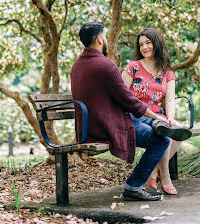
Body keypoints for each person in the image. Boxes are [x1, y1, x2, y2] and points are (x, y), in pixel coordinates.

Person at [70, 22, 184, 201]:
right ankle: (134, 186)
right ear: (100, 39)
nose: (106, 40)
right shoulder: (106, 66)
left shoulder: (77, 65)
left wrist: (160, 117)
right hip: (107, 125)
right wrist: (154, 115)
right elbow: (127, 99)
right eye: (105, 37)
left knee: (165, 128)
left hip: (91, 126)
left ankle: (152, 172)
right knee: (161, 140)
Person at [121, 28, 190, 195]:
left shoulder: (167, 72)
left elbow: (170, 100)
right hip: (135, 115)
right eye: (141, 44)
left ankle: (153, 172)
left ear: (157, 44)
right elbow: (121, 95)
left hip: (156, 115)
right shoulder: (133, 67)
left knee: (176, 129)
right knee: (163, 135)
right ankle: (165, 177)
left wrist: (171, 118)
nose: (144, 47)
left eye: (148, 43)